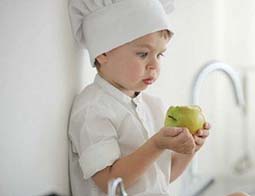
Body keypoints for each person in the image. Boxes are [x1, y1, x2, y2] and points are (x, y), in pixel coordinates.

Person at [67, 0, 210, 195]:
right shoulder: (93, 109)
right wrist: (157, 144)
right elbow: (110, 183)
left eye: (160, 55)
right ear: (103, 53)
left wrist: (191, 148)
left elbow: (159, 179)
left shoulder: (152, 106)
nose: (154, 66)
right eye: (143, 54)